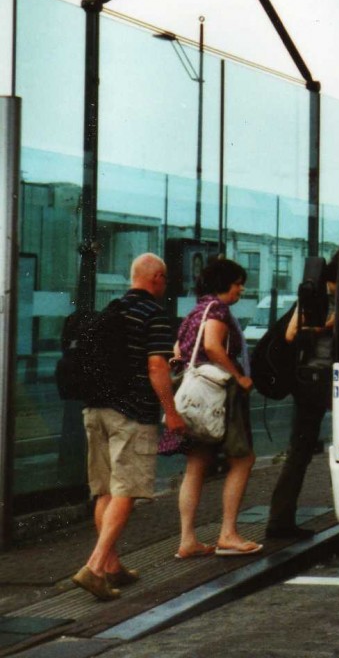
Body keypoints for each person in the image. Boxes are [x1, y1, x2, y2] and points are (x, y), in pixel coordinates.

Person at [73, 253, 184, 602]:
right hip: (132, 414)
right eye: (164, 280)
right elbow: (156, 367)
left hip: (95, 411)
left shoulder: (112, 310)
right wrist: (172, 413)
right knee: (126, 491)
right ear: (158, 278)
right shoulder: (154, 314)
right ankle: (93, 567)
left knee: (105, 491)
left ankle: (112, 566)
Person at [173, 258, 262, 558]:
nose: (241, 288)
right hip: (219, 395)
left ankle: (187, 539)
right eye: (238, 283)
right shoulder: (219, 311)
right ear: (225, 283)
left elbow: (178, 351)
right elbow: (211, 345)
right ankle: (228, 533)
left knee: (196, 463)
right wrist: (239, 376)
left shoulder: (195, 311)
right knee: (243, 459)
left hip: (194, 397)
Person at [266, 252, 338, 539]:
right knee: (301, 450)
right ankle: (280, 521)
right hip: (316, 379)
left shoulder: (312, 296)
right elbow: (291, 334)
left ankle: (281, 519)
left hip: (317, 379)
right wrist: (330, 325)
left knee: (301, 450)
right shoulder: (317, 298)